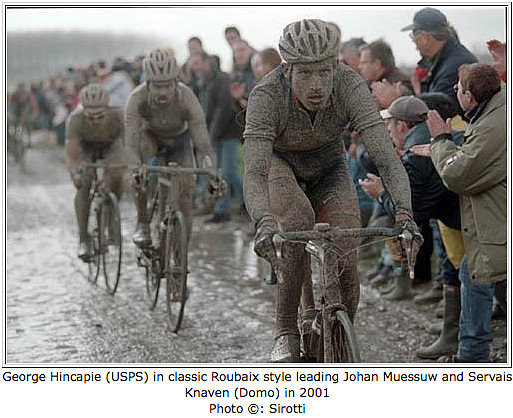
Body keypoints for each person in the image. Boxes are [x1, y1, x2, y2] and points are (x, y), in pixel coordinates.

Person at [243, 19, 422, 362]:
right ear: (288, 68)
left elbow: (386, 157)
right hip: (280, 164)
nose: (317, 84)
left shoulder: (349, 84)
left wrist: (404, 214)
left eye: (325, 71)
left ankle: (339, 339)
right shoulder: (266, 94)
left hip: (329, 165)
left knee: (345, 246)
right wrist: (264, 220)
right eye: (306, 74)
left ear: (336, 65)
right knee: (296, 220)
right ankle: (285, 328)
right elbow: (254, 171)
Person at [426, 63, 506, 362]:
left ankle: (472, 356)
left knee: (478, 274)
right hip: (494, 223)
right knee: (477, 273)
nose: (455, 92)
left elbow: (458, 175)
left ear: (469, 97)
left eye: (458, 88)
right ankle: (470, 351)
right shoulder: (495, 108)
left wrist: (441, 142)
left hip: (497, 223)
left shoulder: (491, 126)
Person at [125, 48, 217, 246]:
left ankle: (179, 250)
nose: (163, 92)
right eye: (157, 87)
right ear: (147, 84)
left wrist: (210, 170)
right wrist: (135, 168)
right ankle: (142, 222)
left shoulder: (187, 97)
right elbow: (131, 142)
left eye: (167, 86)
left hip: (179, 140)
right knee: (139, 175)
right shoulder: (137, 98)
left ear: (176, 82)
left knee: (184, 199)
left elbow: (202, 141)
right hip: (150, 137)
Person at [373, 7, 477, 111]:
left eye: (413, 36)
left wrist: (397, 101)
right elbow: (432, 99)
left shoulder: (455, 65)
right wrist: (406, 94)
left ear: (424, 38)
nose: (415, 44)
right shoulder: (446, 61)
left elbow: (438, 111)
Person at [65, 84, 126, 259]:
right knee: (84, 184)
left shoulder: (118, 115)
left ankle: (111, 215)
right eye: (90, 118)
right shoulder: (75, 120)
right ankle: (84, 238)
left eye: (100, 116)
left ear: (108, 109)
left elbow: (130, 143)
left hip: (110, 146)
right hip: (85, 149)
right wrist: (76, 173)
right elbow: (72, 154)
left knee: (117, 173)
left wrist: (132, 165)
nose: (96, 121)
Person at [190, 51, 243, 223]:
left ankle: (247, 203)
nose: (195, 67)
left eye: (198, 62)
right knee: (219, 173)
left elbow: (223, 110)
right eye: (194, 63)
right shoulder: (204, 83)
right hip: (214, 133)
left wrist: (211, 135)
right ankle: (223, 209)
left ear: (207, 62)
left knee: (227, 171)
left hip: (228, 133)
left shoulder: (222, 80)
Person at [358, 40, 413, 105]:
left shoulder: (399, 84)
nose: (359, 67)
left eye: (363, 63)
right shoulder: (370, 83)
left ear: (377, 64)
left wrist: (395, 100)